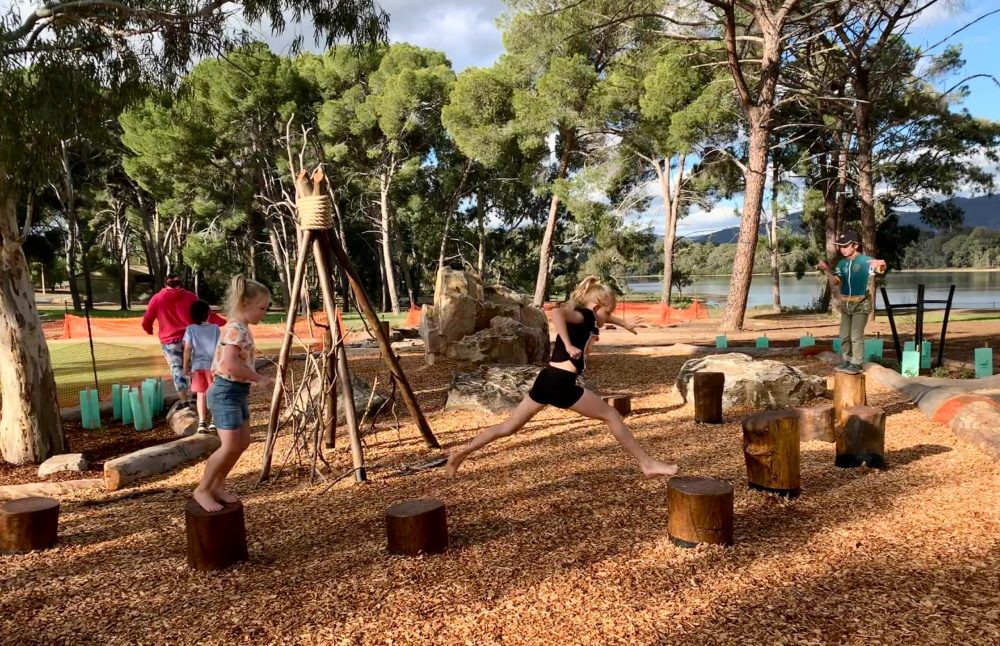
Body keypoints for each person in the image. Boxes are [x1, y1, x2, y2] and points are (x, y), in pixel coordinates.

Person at [445, 276, 679, 479]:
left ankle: (461, 453)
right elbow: (557, 313)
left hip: (547, 379)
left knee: (508, 427)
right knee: (611, 415)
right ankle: (647, 464)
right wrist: (567, 345)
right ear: (597, 306)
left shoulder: (590, 316)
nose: (610, 317)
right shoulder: (585, 316)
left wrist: (622, 322)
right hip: (561, 384)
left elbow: (600, 318)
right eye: (609, 313)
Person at [192, 276, 273, 513]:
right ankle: (203, 489)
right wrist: (259, 378)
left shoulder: (242, 328)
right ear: (245, 303)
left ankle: (217, 485)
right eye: (262, 308)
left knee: (242, 442)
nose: (264, 313)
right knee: (228, 446)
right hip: (225, 392)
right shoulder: (236, 330)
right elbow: (229, 364)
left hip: (237, 392)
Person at [142, 274, 225, 404]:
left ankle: (183, 400)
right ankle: (197, 396)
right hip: (190, 337)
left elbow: (147, 318)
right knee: (194, 367)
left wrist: (148, 329)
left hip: (169, 341)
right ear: (181, 283)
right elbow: (203, 311)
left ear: (165, 284)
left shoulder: (157, 298)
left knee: (177, 370)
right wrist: (221, 321)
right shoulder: (190, 297)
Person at [816, 231, 888, 374]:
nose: (843, 249)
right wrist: (826, 270)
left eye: (846, 245)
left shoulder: (865, 261)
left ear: (855, 245)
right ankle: (847, 361)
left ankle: (857, 363)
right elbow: (836, 281)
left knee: (856, 335)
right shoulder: (841, 263)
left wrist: (882, 263)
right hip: (845, 305)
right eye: (840, 246)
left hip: (861, 304)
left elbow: (880, 269)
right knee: (844, 335)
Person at [182, 300, 222, 433]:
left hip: (198, 366)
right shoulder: (215, 328)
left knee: (201, 395)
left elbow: (188, 348)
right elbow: (220, 347)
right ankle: (214, 421)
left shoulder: (190, 329)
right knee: (214, 394)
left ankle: (202, 422)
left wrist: (185, 366)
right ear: (208, 313)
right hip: (213, 366)